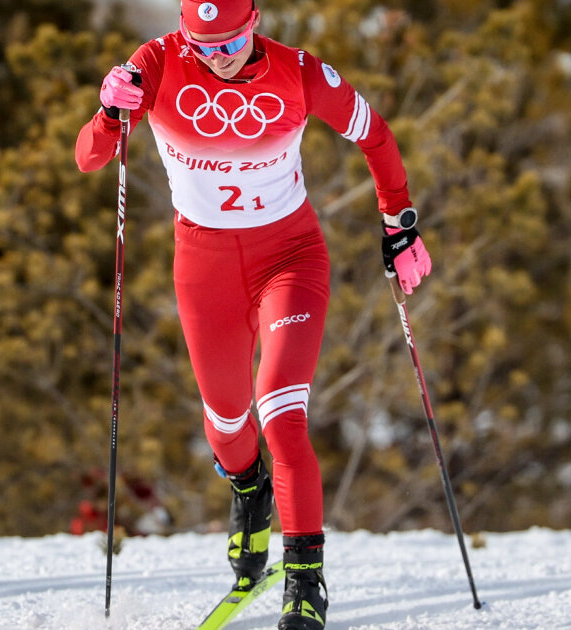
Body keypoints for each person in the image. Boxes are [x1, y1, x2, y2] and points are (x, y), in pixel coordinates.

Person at [74, 1, 432, 628]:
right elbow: (89, 158)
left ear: (255, 22)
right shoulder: (156, 63)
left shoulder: (299, 73)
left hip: (289, 257)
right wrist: (109, 113)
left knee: (281, 411)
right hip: (203, 267)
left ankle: (303, 582)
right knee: (226, 425)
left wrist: (399, 225)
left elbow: (374, 134)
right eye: (202, 45)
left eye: (230, 43)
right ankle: (249, 493)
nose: (216, 58)